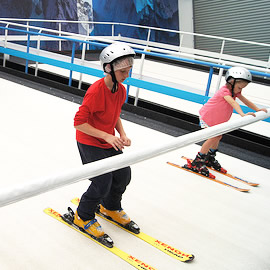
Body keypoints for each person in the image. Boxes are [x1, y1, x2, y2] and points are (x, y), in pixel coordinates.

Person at [73, 43, 139, 242]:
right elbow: (78, 123)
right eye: (123, 70)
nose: (127, 74)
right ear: (108, 68)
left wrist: (121, 133)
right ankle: (83, 215)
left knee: (123, 175)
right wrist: (107, 136)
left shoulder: (121, 90)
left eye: (129, 69)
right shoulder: (95, 91)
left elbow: (115, 113)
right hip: (89, 142)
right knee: (102, 182)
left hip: (108, 140)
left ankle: (110, 207)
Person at [184, 66, 267, 177]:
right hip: (208, 117)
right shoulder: (224, 91)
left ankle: (209, 157)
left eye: (243, 88)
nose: (240, 90)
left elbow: (245, 100)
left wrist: (257, 109)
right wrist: (242, 114)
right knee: (213, 137)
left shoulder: (235, 92)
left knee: (218, 137)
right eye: (239, 87)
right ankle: (198, 161)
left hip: (218, 120)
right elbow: (233, 103)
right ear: (231, 82)